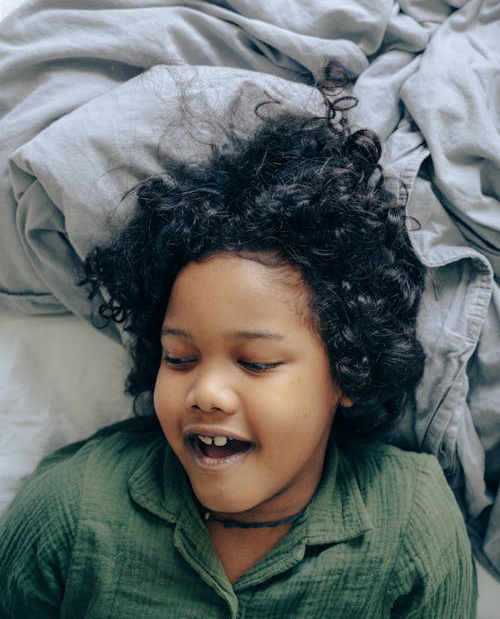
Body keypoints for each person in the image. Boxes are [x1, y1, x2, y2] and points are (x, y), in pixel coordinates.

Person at [0, 74, 477, 617]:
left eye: (255, 362)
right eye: (179, 358)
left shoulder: (412, 522)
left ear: (347, 373)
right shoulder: (69, 509)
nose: (206, 393)